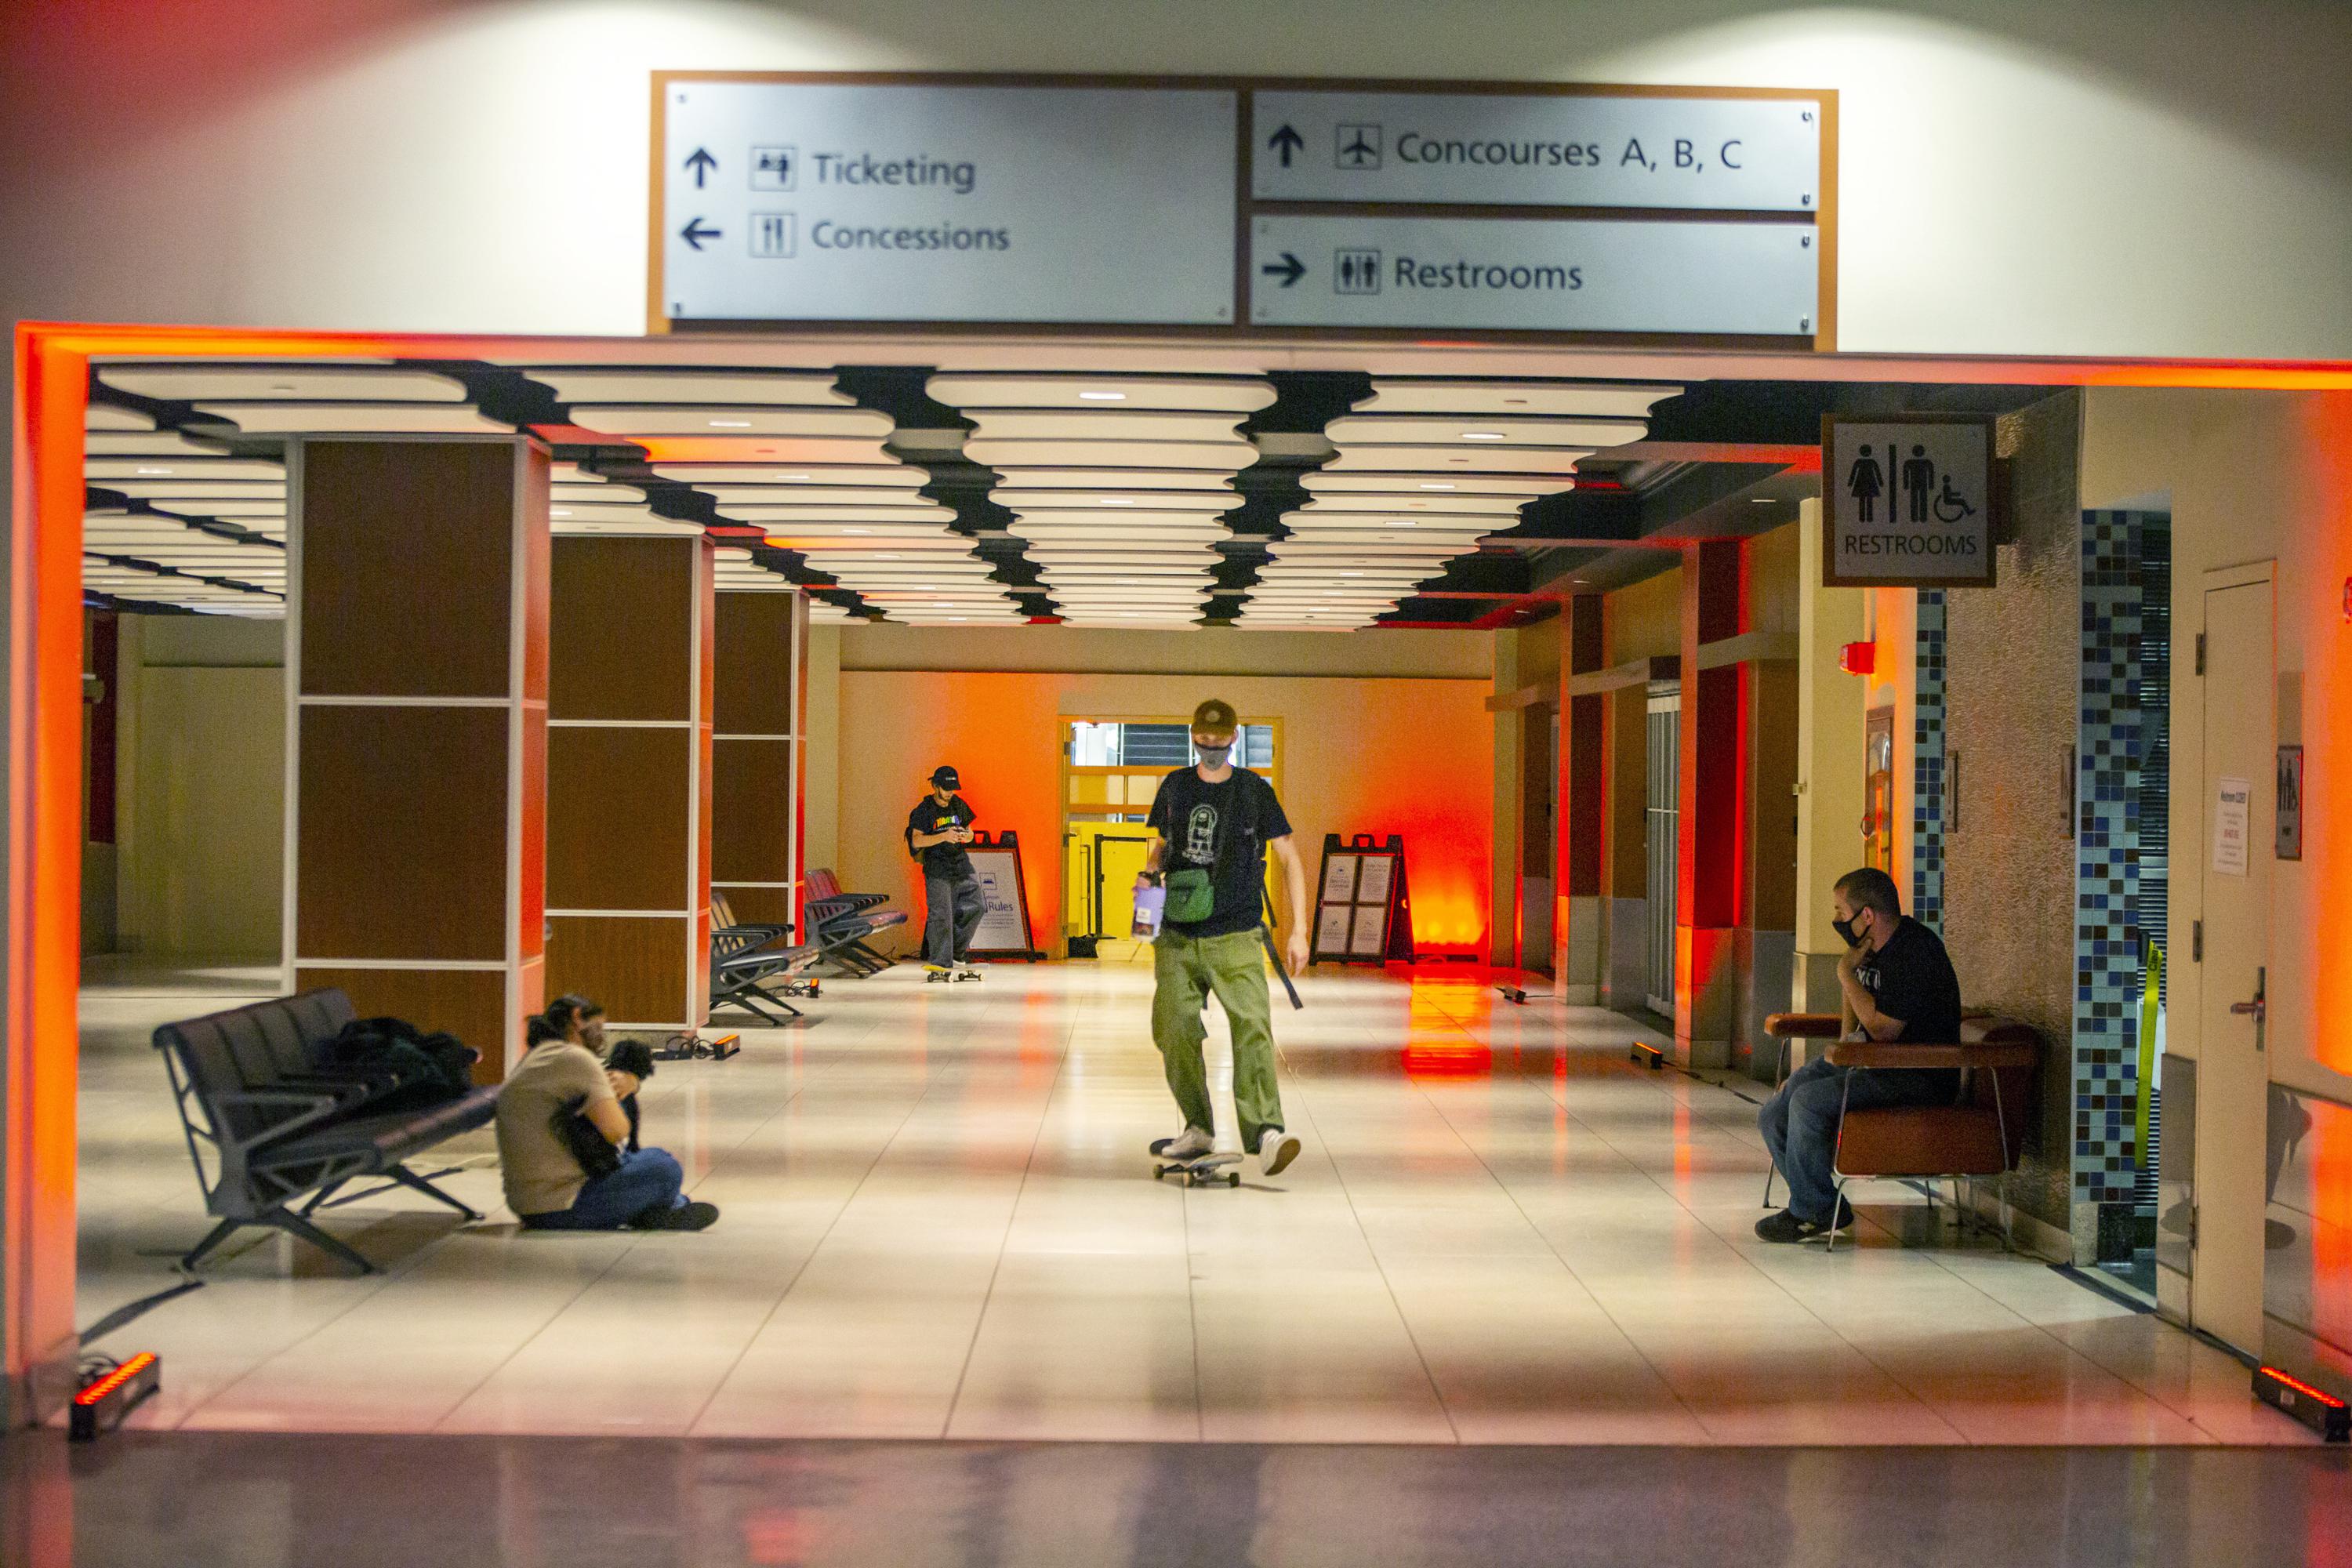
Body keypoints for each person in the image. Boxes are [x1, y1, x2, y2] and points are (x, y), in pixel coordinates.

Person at [1134, 699, 1310, 1178]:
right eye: (1203, 741)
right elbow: (1159, 848)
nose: (1211, 749)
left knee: (1252, 1026)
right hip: (1177, 933)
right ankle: (1198, 1127)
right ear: (1193, 736)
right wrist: (1145, 905)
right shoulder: (1175, 785)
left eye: (1220, 741)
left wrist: (1300, 929)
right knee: (1172, 1027)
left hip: (1236, 932)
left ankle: (1267, 1133)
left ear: (1234, 738)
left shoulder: (1255, 791)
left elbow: (1289, 857)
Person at [1755, 868, 1963, 1243]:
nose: (1836, 920)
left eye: (1840, 911)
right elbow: (1856, 1021)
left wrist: (1845, 974)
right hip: (1873, 1062)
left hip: (1916, 1074)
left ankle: (1812, 1211)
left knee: (1808, 1102)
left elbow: (1884, 1030)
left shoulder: (1915, 951)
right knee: (1774, 1110)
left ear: (1867, 915)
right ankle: (1821, 1203)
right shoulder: (1868, 950)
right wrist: (1842, 1049)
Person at [495, 995, 719, 1232]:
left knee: (647, 1160)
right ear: (577, 1018)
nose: (602, 1036)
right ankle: (669, 1207)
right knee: (665, 1166)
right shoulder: (576, 1058)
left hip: (527, 1205)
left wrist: (627, 1084)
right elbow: (617, 1131)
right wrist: (625, 1086)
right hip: (564, 1205)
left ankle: (655, 1211)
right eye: (599, 1027)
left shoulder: (537, 1056)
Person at [906, 764, 985, 980]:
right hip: (937, 868)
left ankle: (957, 953)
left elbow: (971, 832)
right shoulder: (924, 811)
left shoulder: (958, 805)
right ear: (935, 786)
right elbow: (916, 839)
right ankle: (941, 961)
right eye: (946, 789)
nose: (950, 793)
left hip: (960, 864)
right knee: (942, 914)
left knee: (977, 906)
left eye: (953, 789)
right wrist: (943, 836)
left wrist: (966, 836)